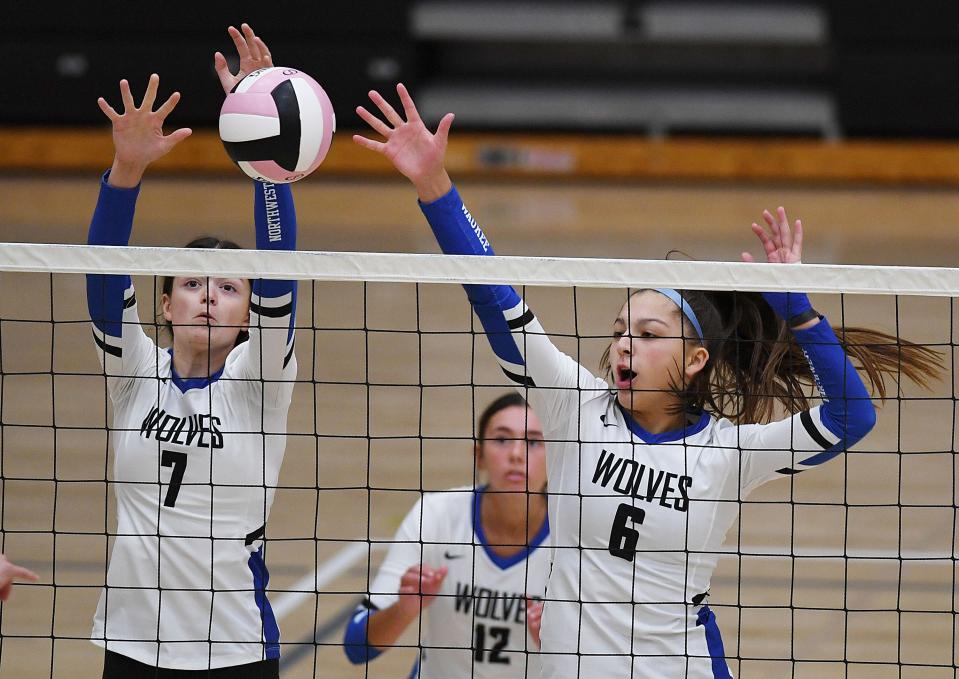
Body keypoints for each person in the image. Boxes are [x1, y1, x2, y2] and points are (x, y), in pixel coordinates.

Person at [352, 84, 943, 678]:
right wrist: (436, 187)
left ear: (694, 361)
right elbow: (495, 298)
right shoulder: (574, 408)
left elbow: (852, 417)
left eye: (649, 334)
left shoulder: (729, 452)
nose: (625, 344)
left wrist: (802, 316)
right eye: (620, 330)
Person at [87, 24, 297, 677]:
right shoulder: (134, 372)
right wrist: (126, 170)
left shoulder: (260, 380)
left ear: (247, 317)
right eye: (190, 282)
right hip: (129, 646)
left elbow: (282, 265)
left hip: (234, 649)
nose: (208, 295)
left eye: (229, 287)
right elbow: (101, 274)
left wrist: (263, 149)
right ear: (165, 306)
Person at [343, 393, 550, 677]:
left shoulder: (579, 537)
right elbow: (356, 646)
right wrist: (404, 610)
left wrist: (557, 645)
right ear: (479, 456)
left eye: (534, 441)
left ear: (559, 456)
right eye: (502, 439)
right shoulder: (436, 514)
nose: (516, 454)